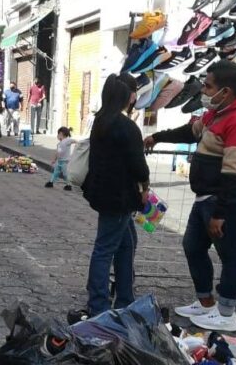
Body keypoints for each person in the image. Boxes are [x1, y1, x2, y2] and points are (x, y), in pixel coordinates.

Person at [144, 60, 236, 332]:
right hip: (205, 198)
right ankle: (205, 301)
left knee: (231, 255)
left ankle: (226, 312)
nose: (204, 92)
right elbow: (191, 130)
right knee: (193, 246)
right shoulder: (218, 112)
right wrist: (158, 137)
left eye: (209, 87)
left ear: (227, 90)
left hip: (227, 200)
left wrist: (221, 213)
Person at [82, 74, 150, 317]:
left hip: (103, 193)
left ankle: (124, 297)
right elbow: (139, 166)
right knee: (105, 248)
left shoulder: (101, 121)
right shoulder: (126, 126)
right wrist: (145, 187)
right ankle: (98, 304)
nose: (135, 97)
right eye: (134, 93)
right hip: (120, 197)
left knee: (126, 244)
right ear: (126, 96)